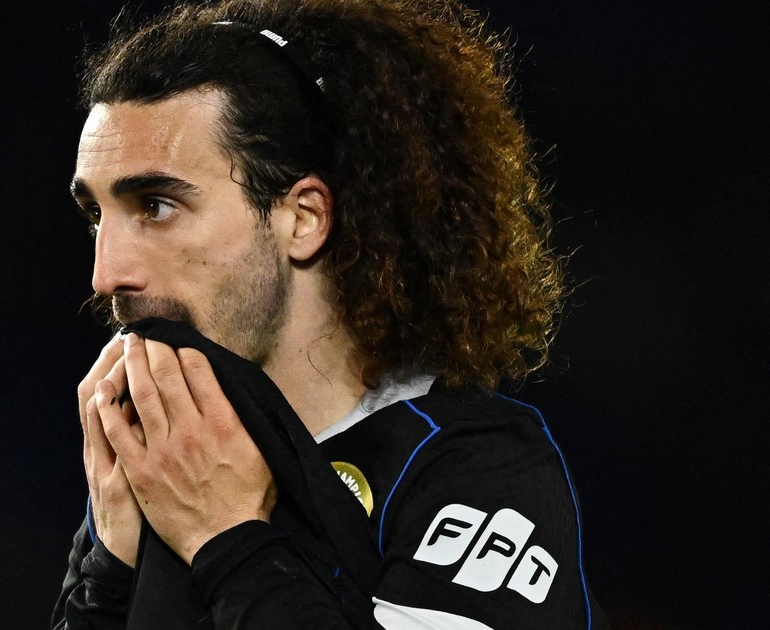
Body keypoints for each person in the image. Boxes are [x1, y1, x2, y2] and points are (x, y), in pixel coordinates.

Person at [52, 0, 608, 627]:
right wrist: (105, 576)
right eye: (95, 215)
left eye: (156, 205)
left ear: (303, 219)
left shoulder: (473, 468)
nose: (106, 274)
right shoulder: (166, 461)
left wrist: (229, 540)